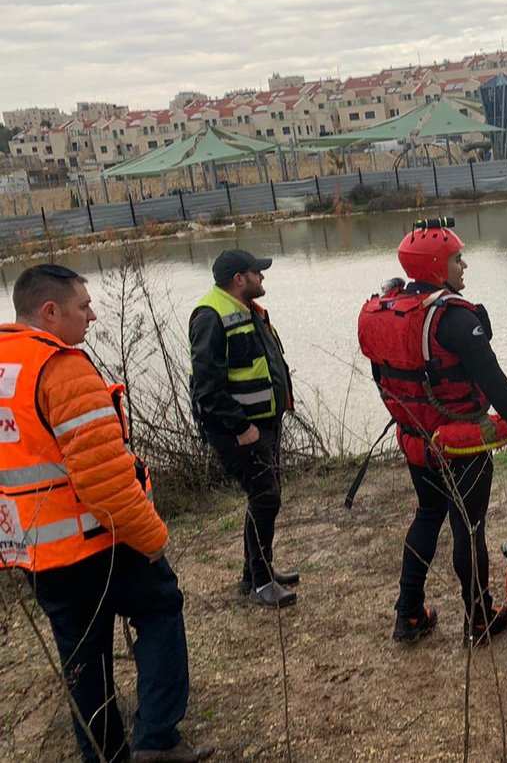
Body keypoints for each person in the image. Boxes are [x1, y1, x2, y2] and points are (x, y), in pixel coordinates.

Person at [1, 264, 212, 763]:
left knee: (81, 651)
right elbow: (104, 479)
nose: (93, 315)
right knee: (160, 608)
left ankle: (102, 750)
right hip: (98, 539)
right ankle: (157, 740)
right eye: (84, 306)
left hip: (34, 549)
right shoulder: (60, 368)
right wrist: (152, 536)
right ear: (50, 312)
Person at [358, 217, 507, 647]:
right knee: (469, 528)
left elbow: (384, 376)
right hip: (459, 444)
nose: (464, 266)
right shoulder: (454, 320)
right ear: (434, 266)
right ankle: (480, 618)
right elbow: (497, 385)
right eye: (456, 259)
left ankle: (408, 614)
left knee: (428, 515)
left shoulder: (390, 309)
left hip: (416, 441)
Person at [189, 249, 297, 608]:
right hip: (240, 429)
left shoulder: (249, 309)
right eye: (256, 272)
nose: (262, 277)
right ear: (239, 279)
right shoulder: (211, 315)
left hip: (264, 422)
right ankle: (261, 582)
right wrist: (240, 426)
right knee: (267, 497)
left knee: (263, 497)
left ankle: (255, 572)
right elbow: (207, 386)